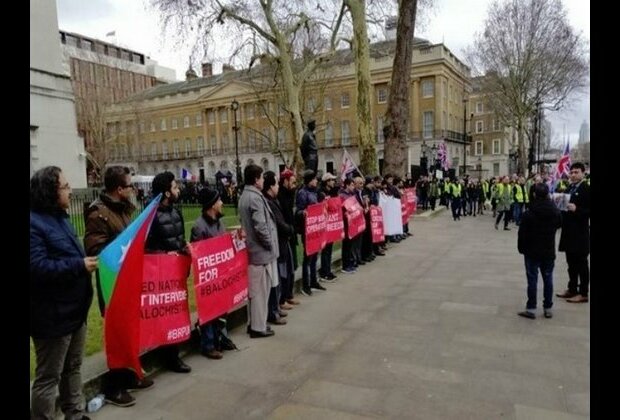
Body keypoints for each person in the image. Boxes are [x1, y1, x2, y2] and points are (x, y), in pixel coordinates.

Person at [31, 166, 98, 420]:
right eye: (65, 187)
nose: (70, 191)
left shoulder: (61, 217)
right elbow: (37, 268)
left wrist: (82, 262)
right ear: (50, 191)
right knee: (49, 377)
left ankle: (75, 414)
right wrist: (79, 265)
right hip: (51, 316)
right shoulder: (33, 224)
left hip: (75, 311)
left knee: (73, 368)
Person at [84, 166, 153, 408]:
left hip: (126, 281)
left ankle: (129, 375)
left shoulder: (121, 210)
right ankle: (114, 386)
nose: (133, 189)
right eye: (130, 185)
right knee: (116, 333)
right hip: (112, 284)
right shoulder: (98, 214)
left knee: (129, 329)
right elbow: (95, 251)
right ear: (119, 189)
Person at [144, 172, 192, 373]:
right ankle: (170, 357)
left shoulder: (175, 211)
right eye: (174, 187)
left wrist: (184, 248)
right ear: (166, 192)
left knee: (177, 312)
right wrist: (164, 255)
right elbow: (145, 247)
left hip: (177, 269)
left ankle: (174, 352)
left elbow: (179, 237)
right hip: (163, 274)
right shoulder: (150, 215)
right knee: (166, 315)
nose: (178, 190)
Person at [238, 164, 279, 338]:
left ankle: (254, 324)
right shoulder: (254, 198)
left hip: (255, 251)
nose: (263, 180)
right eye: (261, 177)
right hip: (260, 252)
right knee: (260, 292)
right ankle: (258, 326)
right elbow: (260, 226)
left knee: (256, 292)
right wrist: (270, 243)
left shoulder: (246, 195)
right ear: (256, 180)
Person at [190, 188, 228, 360]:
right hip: (208, 276)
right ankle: (208, 344)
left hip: (220, 274)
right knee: (208, 309)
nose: (222, 203)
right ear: (212, 205)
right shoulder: (199, 226)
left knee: (221, 308)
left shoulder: (219, 222)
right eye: (219, 200)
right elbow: (198, 253)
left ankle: (220, 337)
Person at [517, 183, 562, 319]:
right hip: (548, 250)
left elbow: (522, 233)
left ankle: (531, 308)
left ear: (535, 194)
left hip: (532, 251)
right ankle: (548, 307)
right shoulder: (555, 211)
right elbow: (559, 224)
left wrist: (521, 248)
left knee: (532, 279)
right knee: (548, 279)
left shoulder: (529, 213)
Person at [556, 162, 591, 303]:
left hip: (580, 233)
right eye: (572, 172)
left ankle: (583, 293)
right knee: (571, 264)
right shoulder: (569, 187)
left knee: (581, 263)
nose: (573, 175)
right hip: (568, 231)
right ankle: (572, 289)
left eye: (576, 172)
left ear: (583, 173)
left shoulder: (586, 189)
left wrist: (577, 209)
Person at [262, 171, 293, 325]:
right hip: (276, 243)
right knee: (278, 277)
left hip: (280, 242)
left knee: (280, 276)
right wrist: (289, 229)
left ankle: (277, 307)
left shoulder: (274, 200)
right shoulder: (269, 202)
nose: (278, 187)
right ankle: (274, 309)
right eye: (276, 184)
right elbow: (279, 222)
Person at [296, 170, 326, 296]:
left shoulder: (315, 192)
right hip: (307, 230)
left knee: (314, 257)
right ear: (309, 180)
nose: (316, 181)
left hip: (315, 229)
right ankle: (306, 285)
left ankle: (314, 281)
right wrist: (303, 213)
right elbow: (298, 210)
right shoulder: (303, 193)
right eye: (314, 179)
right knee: (308, 258)